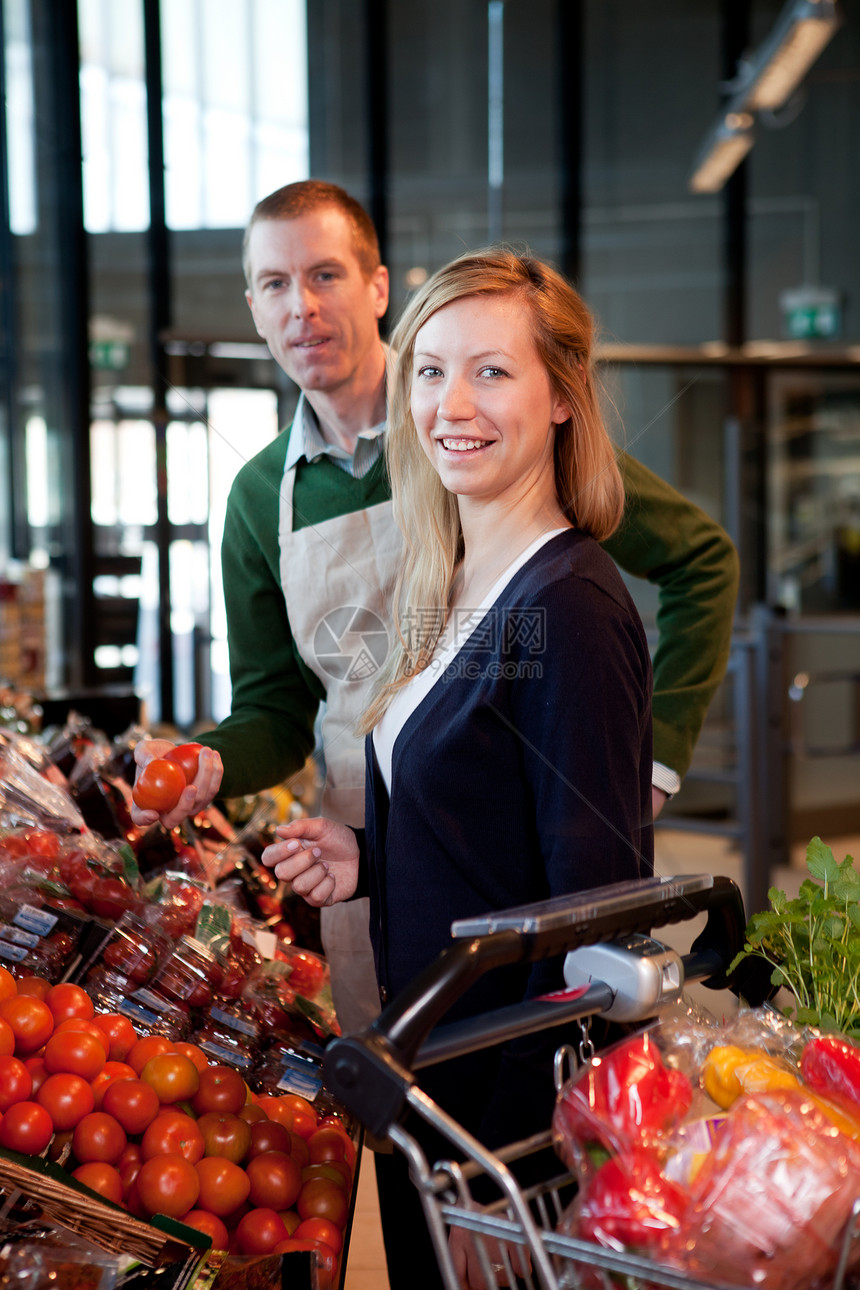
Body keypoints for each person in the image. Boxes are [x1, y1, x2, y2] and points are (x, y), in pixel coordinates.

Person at [130, 179, 739, 1037]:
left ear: (380, 288)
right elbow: (275, 706)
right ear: (253, 307)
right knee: (403, 1109)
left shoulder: (498, 455)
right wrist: (215, 762)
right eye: (274, 284)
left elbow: (696, 564)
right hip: (379, 850)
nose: (301, 307)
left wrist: (655, 762)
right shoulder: (259, 495)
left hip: (510, 893)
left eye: (325, 275)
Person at [260, 248, 653, 1290]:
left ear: (562, 397)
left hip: (497, 1119)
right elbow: (492, 824)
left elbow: (594, 923)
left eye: (490, 371)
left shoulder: (565, 607)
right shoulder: (453, 581)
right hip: (426, 1069)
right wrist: (371, 856)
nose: (450, 405)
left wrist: (510, 1170)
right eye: (429, 371)